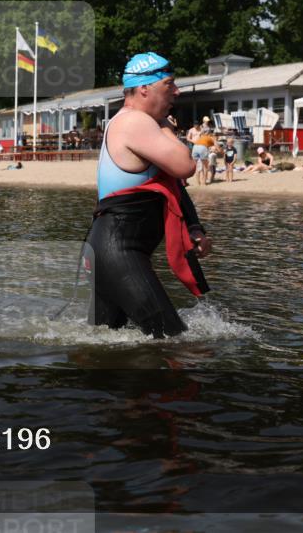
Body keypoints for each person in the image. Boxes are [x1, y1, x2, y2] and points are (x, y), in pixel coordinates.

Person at [85, 52, 211, 339]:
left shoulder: (133, 122)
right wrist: (167, 127)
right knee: (174, 343)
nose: (176, 92)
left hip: (108, 250)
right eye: (170, 84)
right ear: (145, 88)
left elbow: (173, 183)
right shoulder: (135, 122)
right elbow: (186, 166)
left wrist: (194, 226)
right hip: (118, 253)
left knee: (102, 351)